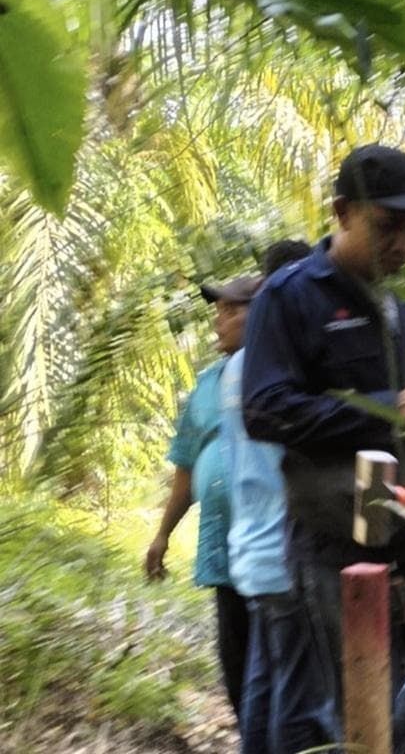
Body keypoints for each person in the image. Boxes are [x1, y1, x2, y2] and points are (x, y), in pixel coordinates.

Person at [240, 144, 405, 753]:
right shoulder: (290, 296)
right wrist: (388, 409)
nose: (403, 244)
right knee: (366, 696)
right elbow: (265, 408)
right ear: (343, 213)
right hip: (338, 540)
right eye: (387, 227)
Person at [221, 239, 341, 753]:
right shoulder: (279, 370)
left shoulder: (236, 368)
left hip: (251, 550)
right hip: (283, 549)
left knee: (265, 683)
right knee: (300, 700)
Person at [146, 274, 262, 721]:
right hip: (224, 551)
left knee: (277, 669)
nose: (219, 321)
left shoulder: (279, 374)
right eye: (219, 310)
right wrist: (162, 536)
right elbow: (187, 469)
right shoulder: (208, 384)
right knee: (237, 667)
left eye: (232, 310)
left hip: (275, 551)